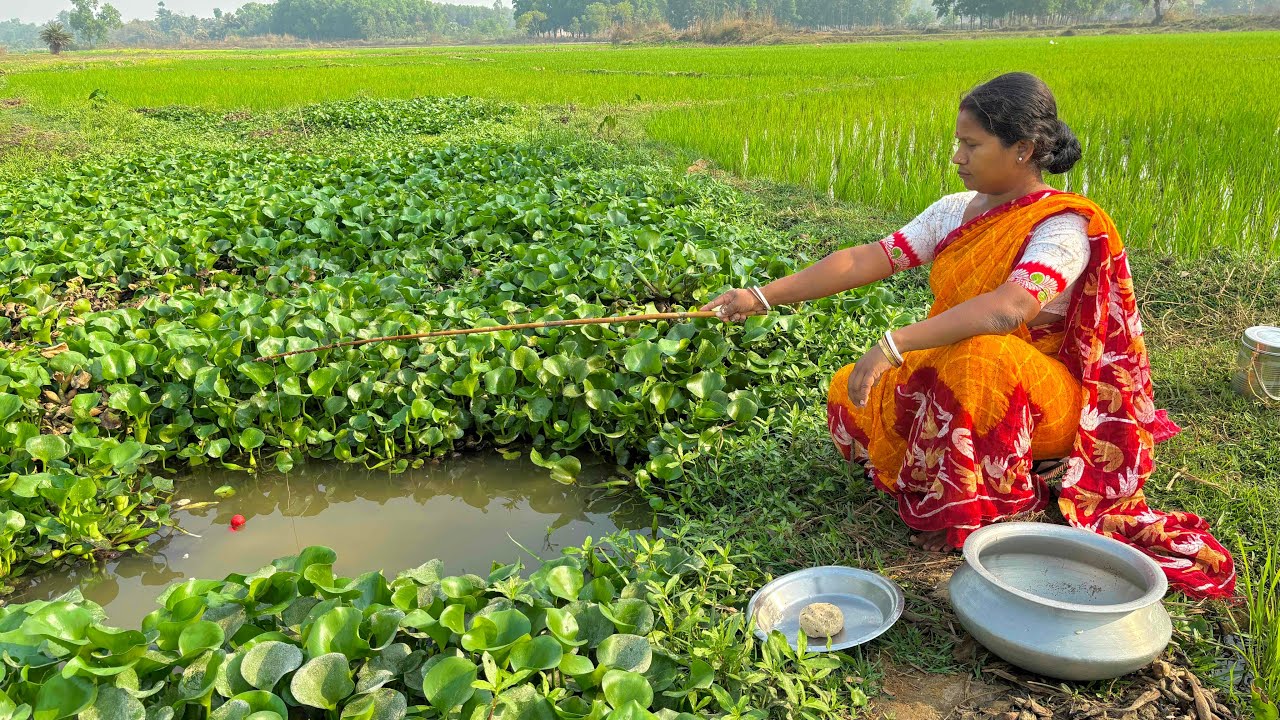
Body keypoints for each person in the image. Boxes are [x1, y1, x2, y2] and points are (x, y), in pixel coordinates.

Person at [701, 72, 1234, 599]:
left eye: (971, 144)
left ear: (1023, 149)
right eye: (959, 142)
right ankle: (938, 467)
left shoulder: (1061, 226)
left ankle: (994, 498)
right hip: (957, 372)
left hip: (1039, 400)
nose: (957, 156)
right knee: (847, 391)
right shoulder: (956, 211)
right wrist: (759, 297)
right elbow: (865, 258)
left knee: (981, 356)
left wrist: (895, 344)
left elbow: (1010, 309)